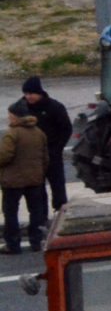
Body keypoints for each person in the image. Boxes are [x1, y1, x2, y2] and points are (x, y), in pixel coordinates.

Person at [20, 75, 72, 216]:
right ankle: (40, 217)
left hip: (52, 153)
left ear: (39, 93)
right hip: (33, 156)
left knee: (57, 185)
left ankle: (60, 212)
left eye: (31, 93)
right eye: (26, 94)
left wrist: (57, 148)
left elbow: (66, 129)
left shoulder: (55, 107)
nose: (28, 97)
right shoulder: (23, 108)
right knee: (36, 189)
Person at [0, 99, 47, 254]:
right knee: (36, 211)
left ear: (15, 116)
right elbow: (45, 157)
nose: (8, 117)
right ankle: (36, 241)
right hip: (35, 179)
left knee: (10, 212)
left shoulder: (12, 133)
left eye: (10, 114)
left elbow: (4, 156)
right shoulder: (38, 132)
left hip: (13, 181)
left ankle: (13, 244)